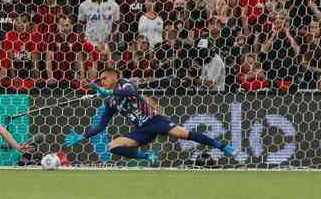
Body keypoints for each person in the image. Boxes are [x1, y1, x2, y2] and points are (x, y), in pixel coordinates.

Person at [64, 65, 235, 164]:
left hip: (155, 120)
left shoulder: (124, 84)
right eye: (101, 81)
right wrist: (83, 136)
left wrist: (106, 92)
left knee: (184, 134)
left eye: (105, 79)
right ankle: (147, 156)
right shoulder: (110, 102)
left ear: (114, 77)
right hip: (141, 130)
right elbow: (102, 125)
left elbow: (132, 93)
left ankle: (222, 146)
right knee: (113, 146)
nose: (102, 82)